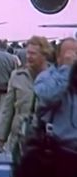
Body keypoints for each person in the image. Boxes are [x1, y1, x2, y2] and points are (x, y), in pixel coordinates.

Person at [0, 36, 52, 166]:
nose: (28, 57)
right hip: (20, 139)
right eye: (28, 53)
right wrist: (0, 139)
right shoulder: (17, 76)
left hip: (47, 142)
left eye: (33, 54)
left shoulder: (55, 78)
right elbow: (8, 110)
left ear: (44, 55)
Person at [30, 37, 77, 177]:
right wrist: (67, 70)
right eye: (69, 54)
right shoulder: (47, 77)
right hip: (58, 152)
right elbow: (48, 96)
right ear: (58, 57)